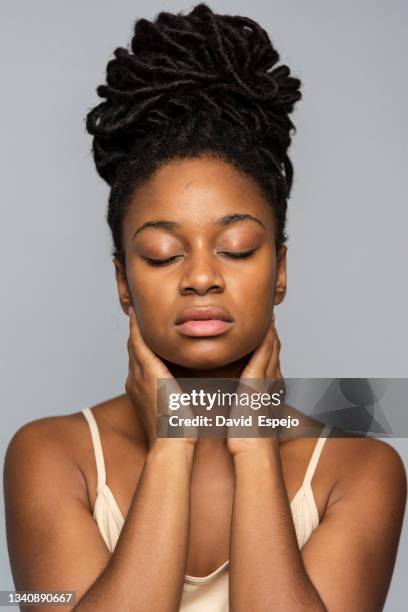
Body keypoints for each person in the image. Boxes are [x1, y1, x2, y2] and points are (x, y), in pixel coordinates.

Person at [4, 4, 406, 611]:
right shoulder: (48, 455)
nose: (200, 277)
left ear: (280, 272)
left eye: (237, 248)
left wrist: (252, 437)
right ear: (122, 281)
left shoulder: (362, 468)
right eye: (163, 254)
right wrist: (173, 441)